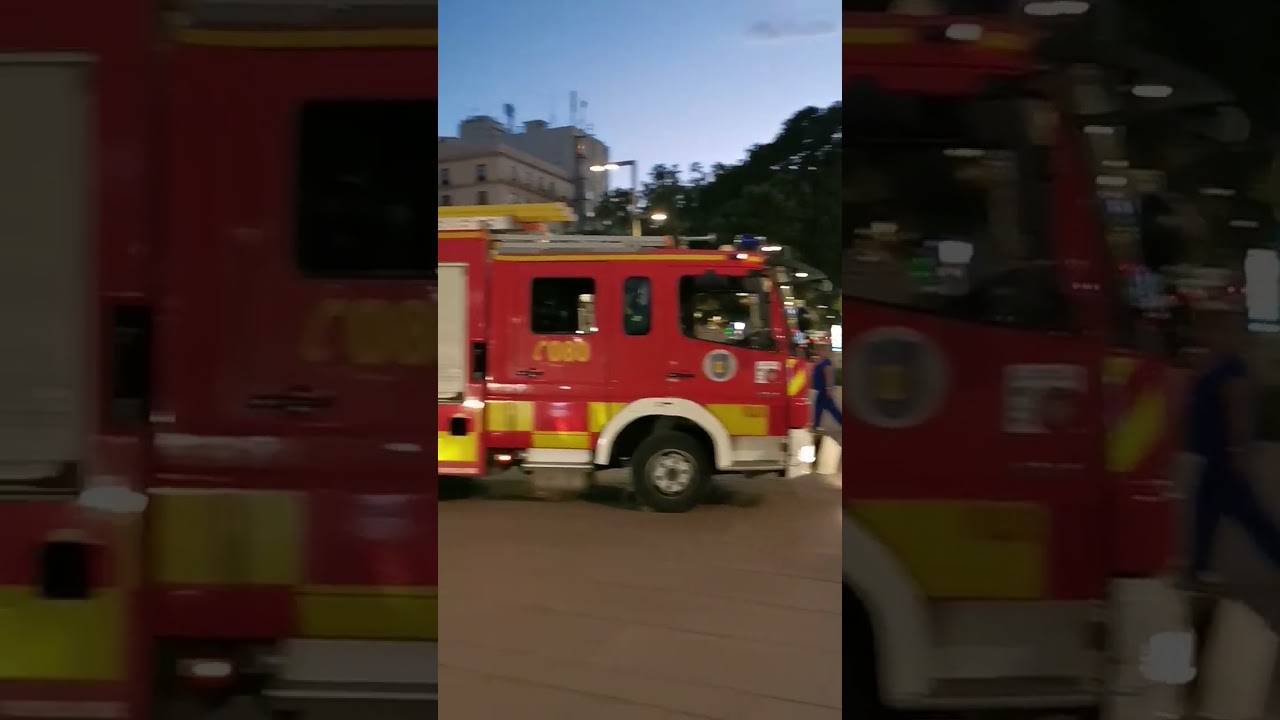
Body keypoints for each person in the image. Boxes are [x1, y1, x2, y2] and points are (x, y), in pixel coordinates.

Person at [1184, 293, 1280, 587]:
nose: (1203, 334)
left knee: (1245, 516)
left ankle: (1199, 569)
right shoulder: (1216, 363)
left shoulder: (1231, 368)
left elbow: (1237, 407)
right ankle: (1199, 567)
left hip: (1225, 455)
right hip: (1218, 455)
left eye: (1209, 328)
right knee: (1220, 512)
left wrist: (1238, 448)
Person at [811, 341, 842, 434]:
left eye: (820, 349)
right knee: (821, 407)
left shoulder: (826, 362)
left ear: (824, 350)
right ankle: (816, 425)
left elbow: (828, 374)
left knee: (830, 408)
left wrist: (828, 388)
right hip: (822, 389)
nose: (818, 351)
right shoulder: (822, 360)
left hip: (824, 389)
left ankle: (816, 426)